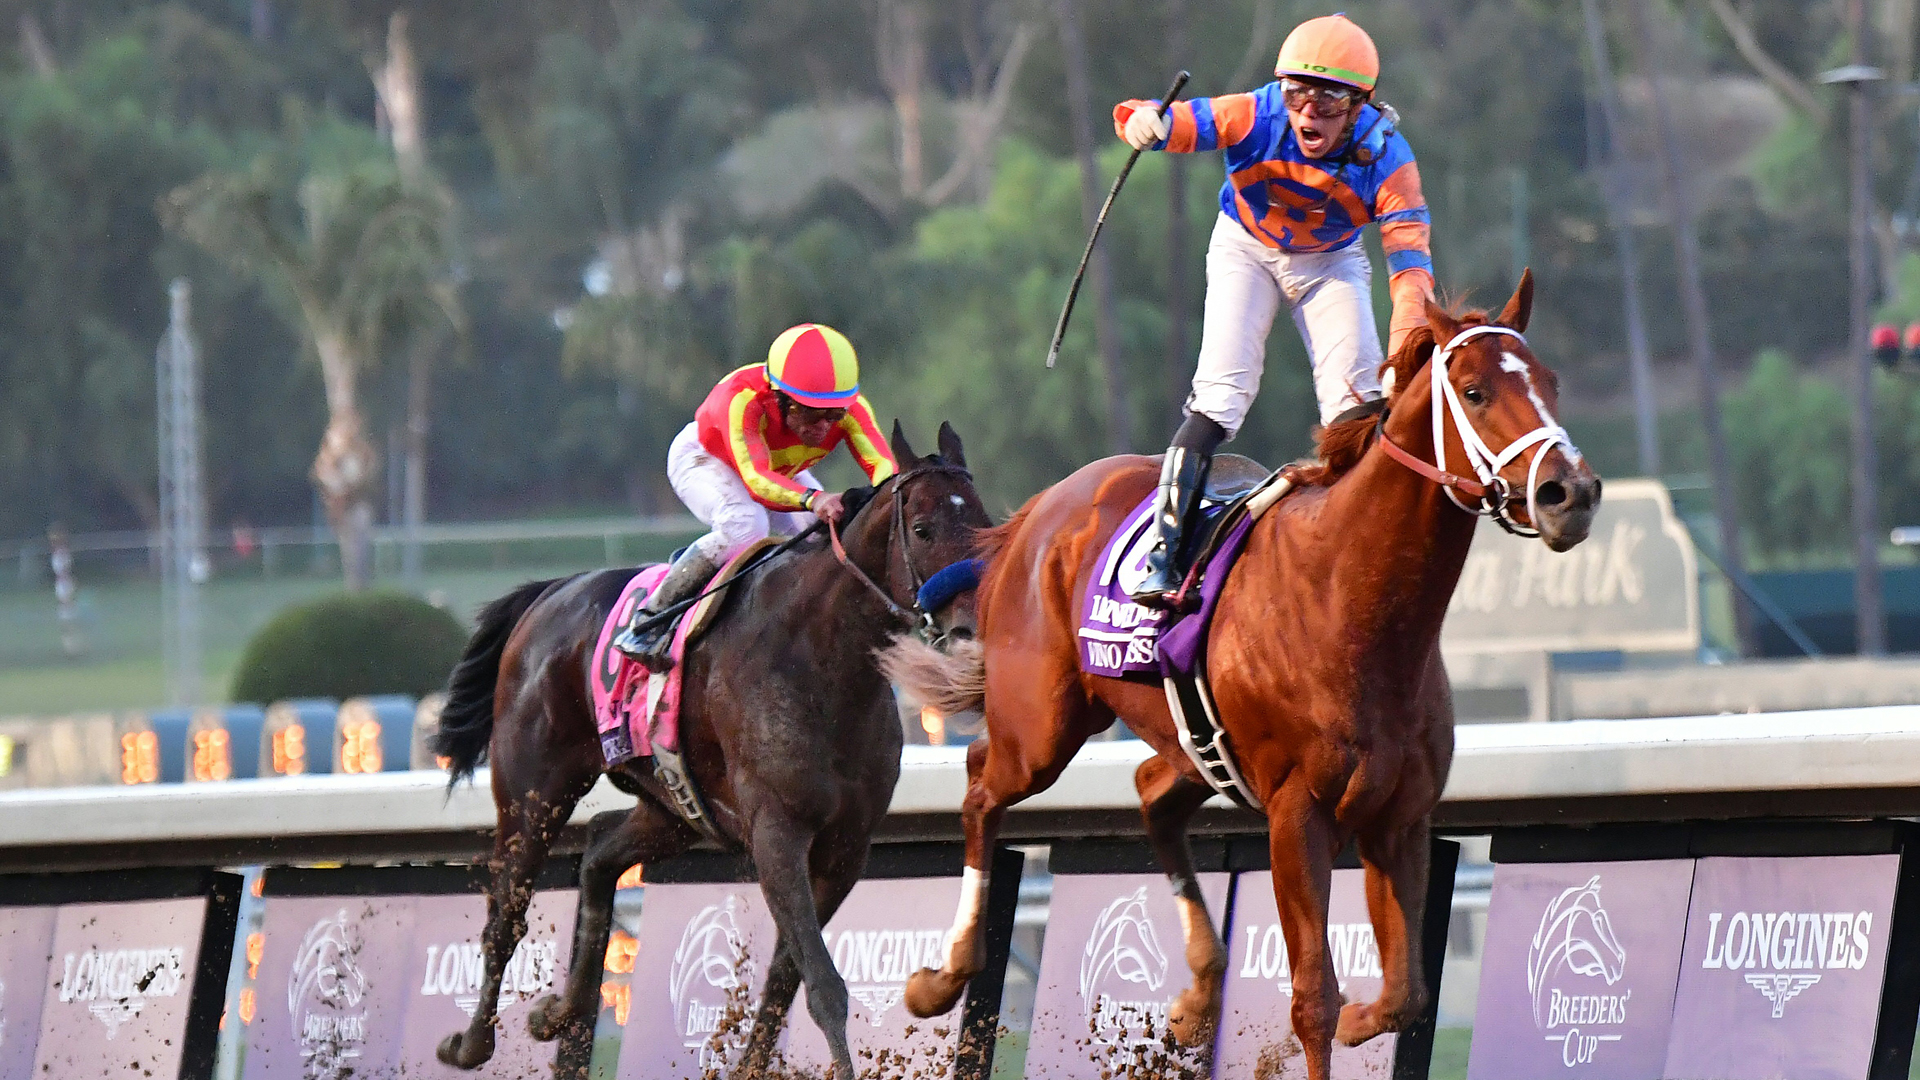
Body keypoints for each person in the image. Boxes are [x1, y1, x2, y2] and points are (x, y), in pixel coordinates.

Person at [1111, 13, 1435, 607]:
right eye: (1297, 95)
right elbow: (1175, 119)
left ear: (1362, 103)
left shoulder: (1389, 159)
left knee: (1358, 404)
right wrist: (1143, 120)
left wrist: (1405, 353)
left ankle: (1358, 549)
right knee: (1221, 395)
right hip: (1245, 248)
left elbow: (1411, 271)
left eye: (1329, 100)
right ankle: (1164, 550)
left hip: (1330, 262)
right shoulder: (1255, 113)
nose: (1309, 113)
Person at [614, 323, 898, 670]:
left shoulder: (851, 408)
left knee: (822, 539)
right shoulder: (741, 399)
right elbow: (756, 480)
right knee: (747, 524)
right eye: (808, 412)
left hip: (776, 469)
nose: (823, 426)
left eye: (833, 414)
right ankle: (649, 620)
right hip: (706, 458)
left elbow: (885, 470)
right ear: (777, 395)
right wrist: (814, 499)